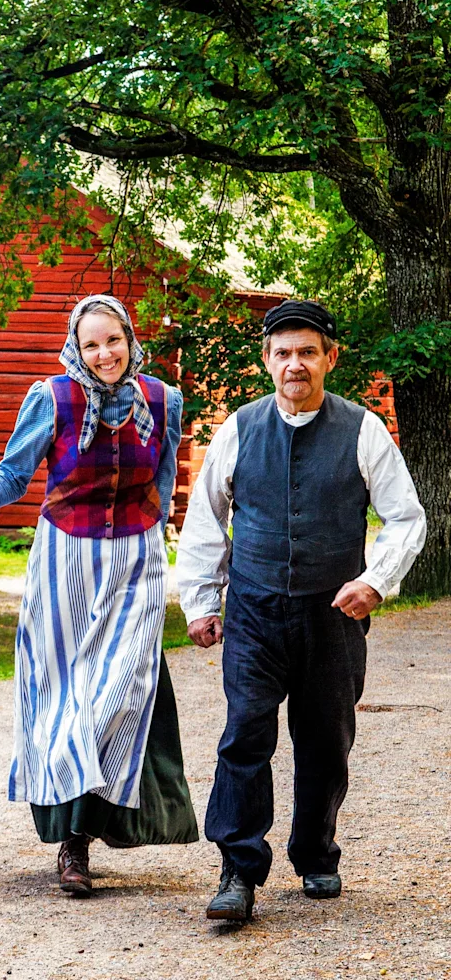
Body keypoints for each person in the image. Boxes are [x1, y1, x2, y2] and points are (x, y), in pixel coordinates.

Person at [176, 299, 427, 922]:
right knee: (245, 736)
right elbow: (205, 521)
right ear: (267, 361)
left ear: (329, 358)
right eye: (283, 353)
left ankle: (316, 853)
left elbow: (406, 517)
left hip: (333, 616)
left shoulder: (363, 430)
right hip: (255, 611)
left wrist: (375, 581)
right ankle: (237, 869)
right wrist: (202, 601)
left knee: (324, 741)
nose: (295, 364)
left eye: (307, 352)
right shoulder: (238, 428)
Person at [0, 294, 198, 897]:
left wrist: (156, 537)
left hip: (136, 558)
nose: (104, 353)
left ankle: (105, 818)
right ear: (76, 349)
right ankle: (74, 842)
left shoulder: (163, 401)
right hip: (65, 559)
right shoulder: (52, 398)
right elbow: (14, 471)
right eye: (91, 344)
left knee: (121, 689)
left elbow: (163, 480)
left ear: (130, 339)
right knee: (67, 696)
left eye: (113, 340)